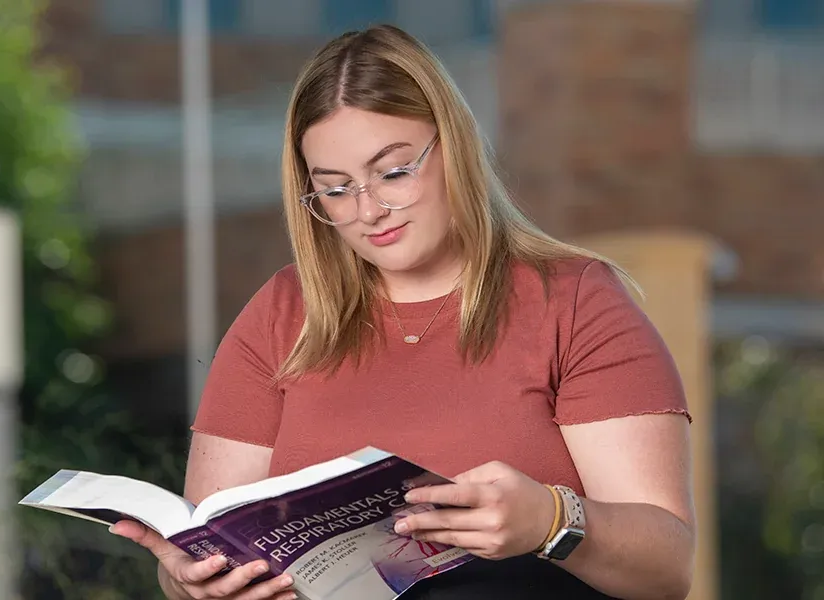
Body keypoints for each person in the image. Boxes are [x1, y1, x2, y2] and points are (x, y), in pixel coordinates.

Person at [110, 24, 695, 600]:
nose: (369, 210)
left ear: (454, 147)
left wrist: (549, 521)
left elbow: (666, 565)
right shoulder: (283, 314)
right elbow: (200, 550)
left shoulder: (573, 302)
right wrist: (192, 584)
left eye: (393, 172)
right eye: (336, 189)